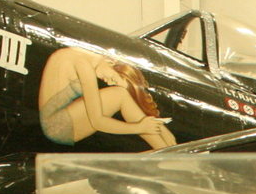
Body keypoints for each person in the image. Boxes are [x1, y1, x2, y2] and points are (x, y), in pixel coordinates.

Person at [37, 47, 177, 149]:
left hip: (58, 123)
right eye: (113, 79)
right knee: (119, 94)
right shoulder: (83, 64)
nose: (109, 83)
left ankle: (165, 150)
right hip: (58, 126)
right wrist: (139, 127)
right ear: (113, 63)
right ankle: (164, 153)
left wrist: (159, 127)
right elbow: (97, 122)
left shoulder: (84, 57)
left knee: (120, 94)